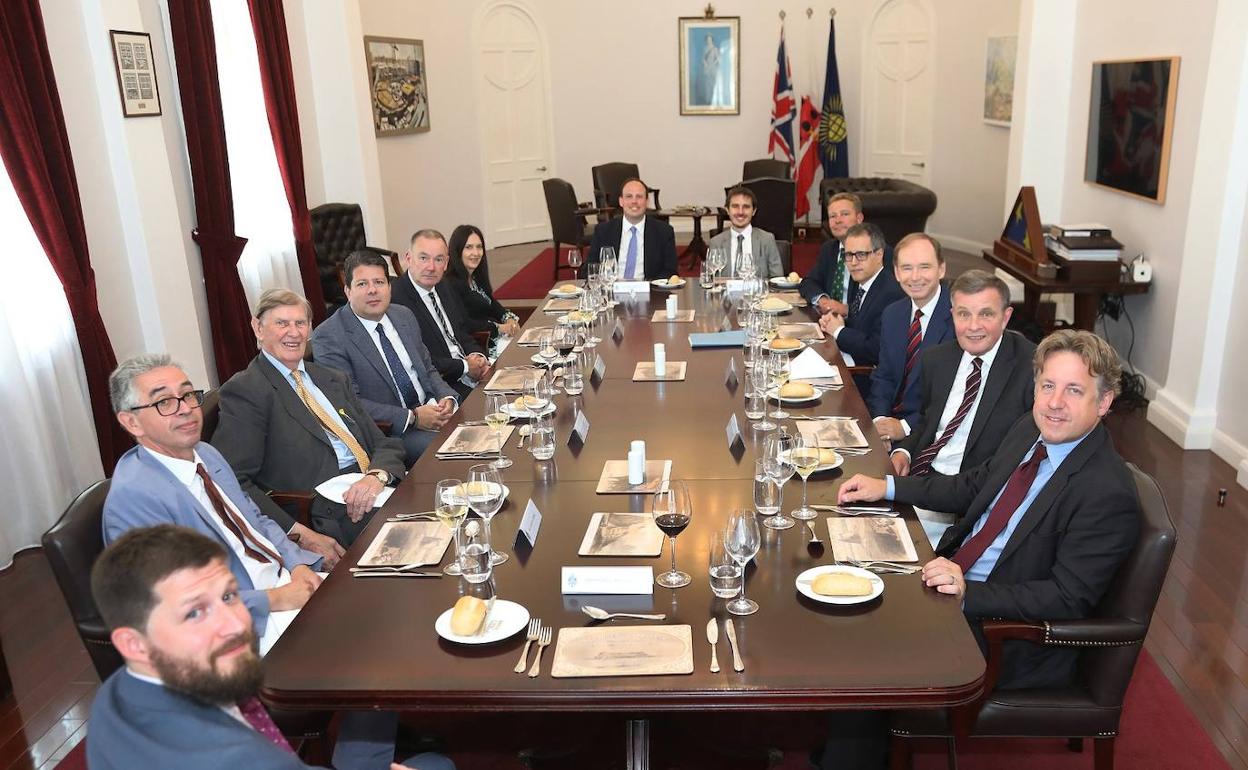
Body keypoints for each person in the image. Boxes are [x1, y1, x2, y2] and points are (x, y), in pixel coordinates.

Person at [838, 329, 1140, 692]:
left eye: (1074, 390)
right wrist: (887, 487)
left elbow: (1066, 597)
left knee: (861, 655)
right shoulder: (1030, 429)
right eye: (1048, 386)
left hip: (1000, 635)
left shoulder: (1107, 492)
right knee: (844, 586)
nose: (1055, 403)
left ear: (1104, 402)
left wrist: (968, 592)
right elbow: (972, 486)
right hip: (948, 579)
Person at [87, 525, 454, 770]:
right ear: (134, 644)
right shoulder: (230, 758)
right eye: (195, 612)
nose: (236, 624)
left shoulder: (117, 693)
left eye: (229, 596)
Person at [104, 354, 339, 654]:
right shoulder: (134, 498)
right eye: (164, 402)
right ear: (131, 422)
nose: (186, 409)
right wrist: (275, 599)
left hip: (284, 582)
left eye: (187, 395)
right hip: (241, 623)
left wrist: (298, 564)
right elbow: (177, 603)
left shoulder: (206, 453)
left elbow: (256, 519)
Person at [212, 289, 406, 547]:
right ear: (258, 328)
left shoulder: (331, 378)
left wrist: (377, 476)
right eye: (282, 323)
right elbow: (231, 480)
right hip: (328, 511)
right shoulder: (246, 391)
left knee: (444, 502)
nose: (294, 333)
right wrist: (299, 535)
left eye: (300, 323)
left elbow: (383, 443)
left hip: (375, 486)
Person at [312, 251, 460, 466]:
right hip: (391, 433)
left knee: (488, 427)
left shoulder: (403, 316)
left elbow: (428, 369)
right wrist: (413, 417)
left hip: (432, 410)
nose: (372, 290)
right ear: (348, 291)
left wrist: (446, 398)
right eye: (362, 284)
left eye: (379, 282)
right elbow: (348, 403)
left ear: (389, 287)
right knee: (455, 451)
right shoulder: (329, 336)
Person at [891, 270, 1036, 478]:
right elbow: (928, 421)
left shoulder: (1031, 368)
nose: (973, 326)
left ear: (1005, 317)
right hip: (920, 472)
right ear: (953, 315)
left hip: (971, 485)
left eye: (985, 314)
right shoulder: (936, 359)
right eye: (964, 314)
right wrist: (903, 452)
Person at [866, 233, 953, 441]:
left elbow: (951, 396)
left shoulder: (959, 318)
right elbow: (884, 376)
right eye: (906, 268)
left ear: (941, 269)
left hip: (931, 433)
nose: (915, 277)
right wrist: (880, 421)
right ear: (896, 272)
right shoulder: (892, 314)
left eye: (924, 267)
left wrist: (904, 427)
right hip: (887, 424)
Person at [391, 229, 493, 399]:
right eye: (423, 258)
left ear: (446, 263)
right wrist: (465, 367)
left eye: (438, 259)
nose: (431, 267)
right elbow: (417, 359)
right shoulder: (396, 299)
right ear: (409, 258)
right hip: (443, 386)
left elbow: (461, 331)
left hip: (470, 372)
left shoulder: (443, 285)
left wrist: (479, 357)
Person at [816, 222, 905, 390]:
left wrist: (838, 331)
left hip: (866, 383)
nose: (853, 262)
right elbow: (861, 327)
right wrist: (837, 323)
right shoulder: (866, 282)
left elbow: (875, 349)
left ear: (879, 254)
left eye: (861, 255)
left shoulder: (890, 293)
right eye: (849, 255)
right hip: (851, 364)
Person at [445, 224, 521, 352]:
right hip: (480, 344)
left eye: (479, 247)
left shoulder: (476, 277)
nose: (475, 253)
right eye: (469, 247)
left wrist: (508, 318)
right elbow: (465, 323)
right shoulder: (450, 283)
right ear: (457, 251)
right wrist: (500, 328)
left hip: (496, 337)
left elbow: (491, 303)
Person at [585, 178, 679, 281]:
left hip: (648, 289)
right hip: (612, 288)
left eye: (639, 197)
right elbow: (590, 269)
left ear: (647, 201)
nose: (634, 201)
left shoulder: (664, 232)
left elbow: (670, 271)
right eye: (629, 196)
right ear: (621, 201)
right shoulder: (603, 231)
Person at [799, 192, 865, 314]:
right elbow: (808, 282)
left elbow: (880, 301)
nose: (838, 220)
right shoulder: (829, 249)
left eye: (844, 214)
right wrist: (823, 300)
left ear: (859, 218)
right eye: (833, 216)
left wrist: (846, 309)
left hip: (858, 322)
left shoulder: (874, 252)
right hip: (827, 318)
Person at [706, 185, 784, 278]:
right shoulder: (716, 242)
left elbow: (777, 278)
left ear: (754, 211)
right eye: (735, 206)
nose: (740, 212)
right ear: (727, 210)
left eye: (746, 207)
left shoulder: (767, 239)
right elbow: (710, 279)